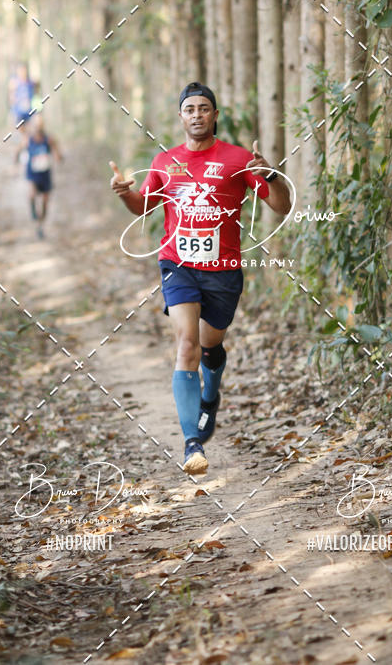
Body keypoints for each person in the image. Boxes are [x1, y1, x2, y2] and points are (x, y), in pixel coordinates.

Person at [110, 81, 291, 475]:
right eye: (189, 109)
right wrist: (125, 193)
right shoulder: (164, 162)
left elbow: (280, 206)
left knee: (210, 347)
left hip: (224, 271)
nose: (197, 115)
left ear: (215, 115)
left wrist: (271, 174)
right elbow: (143, 207)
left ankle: (211, 389)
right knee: (187, 344)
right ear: (181, 116)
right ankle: (193, 444)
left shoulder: (239, 159)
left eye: (204, 108)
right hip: (178, 264)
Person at [18, 114, 63, 239]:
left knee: (45, 200)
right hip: (32, 172)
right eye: (36, 124)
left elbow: (57, 154)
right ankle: (33, 210)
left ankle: (40, 225)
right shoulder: (28, 139)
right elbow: (18, 150)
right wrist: (16, 159)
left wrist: (57, 156)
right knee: (32, 193)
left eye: (40, 124)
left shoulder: (49, 139)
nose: (38, 126)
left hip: (45, 173)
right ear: (33, 125)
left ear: (43, 125)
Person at [8, 63, 36, 131]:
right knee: (20, 130)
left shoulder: (30, 82)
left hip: (29, 111)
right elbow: (11, 97)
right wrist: (13, 111)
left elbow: (34, 96)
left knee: (29, 130)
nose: (22, 72)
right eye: (20, 70)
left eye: (24, 70)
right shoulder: (14, 82)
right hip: (18, 111)